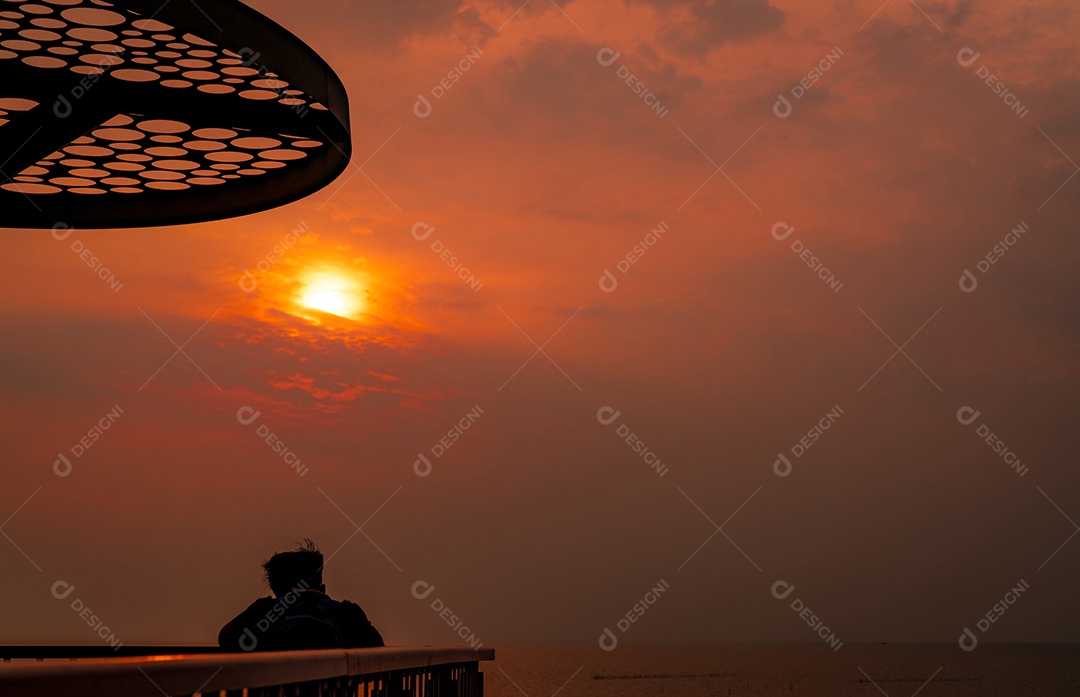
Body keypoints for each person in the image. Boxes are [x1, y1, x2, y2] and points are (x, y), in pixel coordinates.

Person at [218, 539, 384, 651]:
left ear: (276, 588)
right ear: (321, 584)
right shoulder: (345, 612)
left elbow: (225, 638)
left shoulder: (265, 611)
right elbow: (378, 652)